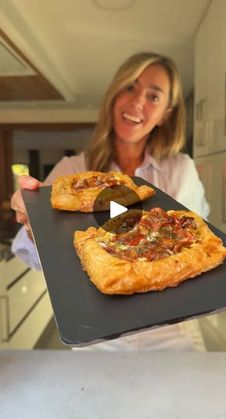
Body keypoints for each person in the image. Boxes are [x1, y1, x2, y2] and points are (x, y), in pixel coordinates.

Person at [11, 51, 209, 351]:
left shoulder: (181, 170)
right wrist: (32, 222)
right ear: (114, 93)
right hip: (97, 340)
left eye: (153, 96)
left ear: (166, 114)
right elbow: (35, 257)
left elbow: (197, 245)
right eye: (130, 85)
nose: (137, 102)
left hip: (171, 335)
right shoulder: (72, 172)